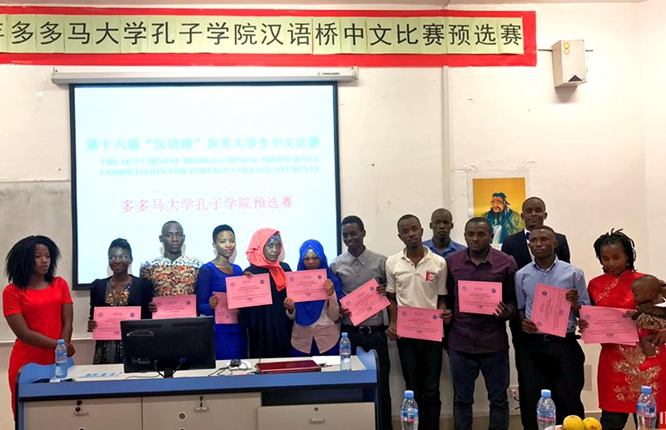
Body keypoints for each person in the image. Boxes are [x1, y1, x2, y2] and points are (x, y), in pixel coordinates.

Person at [584, 229, 666, 430]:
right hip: (613, 358)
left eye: (616, 257)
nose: (611, 263)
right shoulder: (595, 285)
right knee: (611, 420)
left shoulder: (647, 281)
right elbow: (591, 316)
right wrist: (585, 324)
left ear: (628, 256)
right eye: (605, 259)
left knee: (648, 420)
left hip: (648, 355)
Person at [500, 196, 570, 429]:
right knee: (529, 379)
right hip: (525, 323)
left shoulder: (560, 239)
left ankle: (561, 425)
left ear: (545, 214)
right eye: (529, 210)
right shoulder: (511, 242)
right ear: (522, 216)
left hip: (556, 324)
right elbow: (508, 282)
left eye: (538, 210)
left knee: (561, 380)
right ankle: (531, 425)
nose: (534, 214)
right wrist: (520, 317)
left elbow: (565, 276)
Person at [515, 225, 589, 430]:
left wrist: (574, 305)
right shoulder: (521, 275)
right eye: (534, 240)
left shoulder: (573, 273)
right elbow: (520, 308)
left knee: (569, 397)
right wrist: (522, 322)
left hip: (564, 344)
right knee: (535, 400)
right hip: (534, 346)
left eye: (544, 239)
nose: (538, 244)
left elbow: (585, 311)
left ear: (555, 243)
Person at [446, 217, 517, 430]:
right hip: (460, 342)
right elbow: (447, 299)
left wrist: (506, 312)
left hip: (493, 343)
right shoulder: (452, 262)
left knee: (498, 400)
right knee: (461, 400)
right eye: (471, 234)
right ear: (465, 236)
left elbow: (514, 301)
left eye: (481, 234)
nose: (475, 238)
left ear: (491, 236)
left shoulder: (506, 262)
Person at [386, 214, 450, 430]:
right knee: (411, 388)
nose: (411, 234)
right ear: (400, 236)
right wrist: (392, 323)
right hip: (406, 335)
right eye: (405, 231)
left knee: (431, 389)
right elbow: (392, 298)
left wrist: (443, 312)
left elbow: (441, 298)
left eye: (414, 229)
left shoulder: (439, 262)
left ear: (422, 231)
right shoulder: (392, 262)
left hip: (432, 334)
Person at [331, 215, 393, 430]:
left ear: (363, 233)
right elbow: (334, 298)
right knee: (351, 384)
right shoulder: (336, 265)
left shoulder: (382, 262)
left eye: (353, 234)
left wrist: (386, 292)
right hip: (349, 334)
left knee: (382, 384)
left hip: (376, 333)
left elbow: (393, 294)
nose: (349, 239)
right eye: (345, 235)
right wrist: (338, 307)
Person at [3, 236, 75, 418]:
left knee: (61, 416)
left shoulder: (60, 284)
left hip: (59, 362)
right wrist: (60, 346)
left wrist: (62, 347)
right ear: (24, 259)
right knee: (29, 418)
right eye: (38, 256)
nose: (45, 261)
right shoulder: (12, 292)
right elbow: (24, 333)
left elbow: (67, 321)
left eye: (48, 256)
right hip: (27, 364)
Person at [88, 238, 153, 364]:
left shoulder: (142, 285)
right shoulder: (98, 287)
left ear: (131, 259)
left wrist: (154, 309)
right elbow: (93, 317)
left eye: (122, 256)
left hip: (136, 349)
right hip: (105, 351)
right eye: (112, 257)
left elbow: (148, 319)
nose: (117, 261)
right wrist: (92, 324)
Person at [239, 228, 293, 359]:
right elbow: (244, 312)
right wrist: (244, 284)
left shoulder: (284, 268)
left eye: (278, 245)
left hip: (283, 328)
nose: (275, 250)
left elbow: (293, 299)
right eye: (270, 245)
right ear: (260, 247)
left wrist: (291, 307)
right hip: (260, 330)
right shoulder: (250, 272)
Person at [284, 240, 343, 356]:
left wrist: (331, 294)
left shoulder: (331, 281)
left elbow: (334, 316)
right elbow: (293, 316)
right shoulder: (295, 281)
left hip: (328, 340)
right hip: (301, 341)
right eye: (306, 258)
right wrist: (290, 309)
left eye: (315, 257)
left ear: (322, 258)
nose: (311, 262)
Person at [196, 225, 246, 360]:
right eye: (223, 241)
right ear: (214, 244)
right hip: (218, 332)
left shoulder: (238, 270)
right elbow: (200, 305)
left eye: (232, 240)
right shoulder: (207, 270)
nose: (228, 245)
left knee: (240, 369)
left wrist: (250, 282)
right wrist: (210, 306)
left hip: (238, 330)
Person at [140, 220, 203, 297]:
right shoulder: (148, 266)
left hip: (189, 305)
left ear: (184, 238)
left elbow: (201, 294)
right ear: (161, 238)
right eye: (168, 235)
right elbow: (144, 296)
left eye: (179, 235)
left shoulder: (196, 264)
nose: (174, 239)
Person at [626, 275, 666, 356]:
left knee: (645, 340)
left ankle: (652, 356)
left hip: (657, 333)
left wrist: (635, 315)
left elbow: (651, 322)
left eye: (636, 295)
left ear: (650, 295)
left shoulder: (656, 309)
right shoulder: (650, 300)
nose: (633, 297)